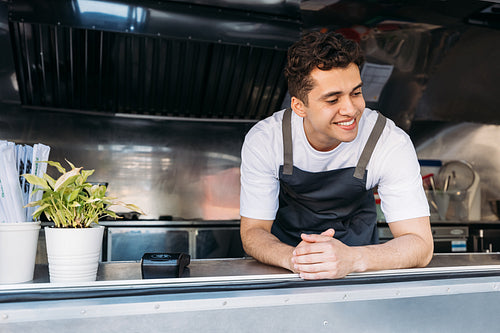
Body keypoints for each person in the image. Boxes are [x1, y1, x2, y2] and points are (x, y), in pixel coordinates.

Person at [239, 30, 433, 280]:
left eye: (356, 93)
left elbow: (420, 245)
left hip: (360, 273)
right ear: (299, 106)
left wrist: (354, 259)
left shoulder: (388, 141)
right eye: (333, 100)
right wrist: (296, 260)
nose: (351, 110)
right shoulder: (267, 140)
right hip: (284, 272)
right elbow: (253, 232)